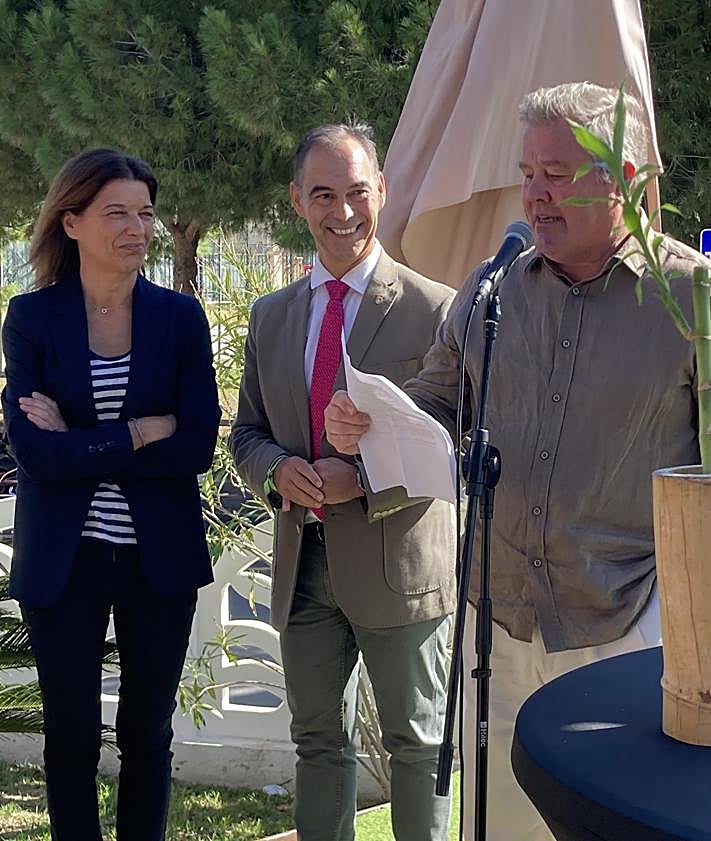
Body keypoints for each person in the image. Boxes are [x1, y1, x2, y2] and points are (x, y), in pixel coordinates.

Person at [324, 82, 711, 841]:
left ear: (625, 180)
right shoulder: (493, 285)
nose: (533, 195)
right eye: (526, 173)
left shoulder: (688, 298)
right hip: (495, 618)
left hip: (627, 619)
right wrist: (372, 420)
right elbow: (439, 396)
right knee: (500, 821)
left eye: (557, 174)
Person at [230, 123, 456, 841]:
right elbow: (246, 434)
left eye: (356, 191)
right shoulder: (271, 317)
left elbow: (449, 446)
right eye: (322, 194)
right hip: (302, 569)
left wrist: (360, 478)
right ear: (297, 200)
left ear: (381, 192)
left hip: (399, 568)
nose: (343, 211)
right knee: (318, 743)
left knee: (416, 747)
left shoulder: (435, 309)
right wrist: (277, 469)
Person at [2, 148, 221, 841]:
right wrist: (136, 432)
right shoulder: (31, 318)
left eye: (146, 212)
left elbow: (194, 446)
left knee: (147, 735)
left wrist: (82, 438)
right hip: (64, 562)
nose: (138, 227)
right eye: (116, 212)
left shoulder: (180, 320)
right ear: (70, 222)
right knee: (70, 738)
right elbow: (34, 453)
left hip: (157, 559)